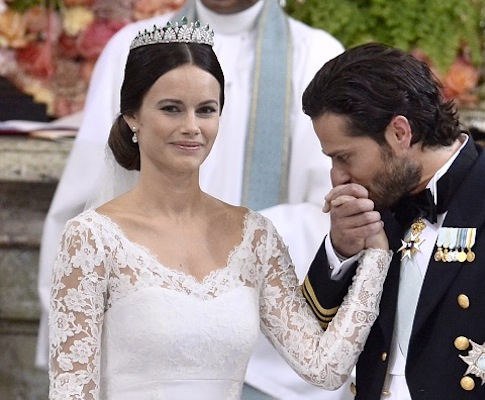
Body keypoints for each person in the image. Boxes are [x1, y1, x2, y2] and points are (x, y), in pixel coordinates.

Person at [47, 21, 392, 400]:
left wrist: (376, 255)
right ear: (133, 116)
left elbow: (324, 367)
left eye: (206, 110)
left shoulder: (254, 236)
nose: (191, 127)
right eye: (171, 109)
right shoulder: (92, 238)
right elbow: (72, 391)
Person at [300, 43, 485, 399]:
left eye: (344, 157)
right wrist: (340, 250)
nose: (337, 177)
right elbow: (307, 343)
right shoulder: (377, 211)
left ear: (399, 133)